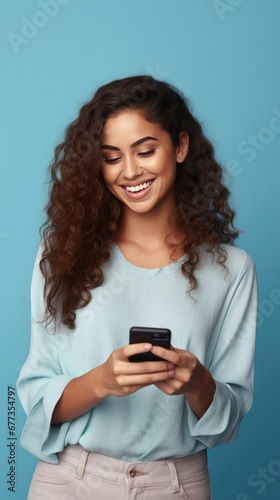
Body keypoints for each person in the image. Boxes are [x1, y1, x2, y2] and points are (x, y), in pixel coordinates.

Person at [17, 75, 257, 500]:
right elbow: (36, 397)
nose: (130, 172)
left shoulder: (232, 270)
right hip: (70, 481)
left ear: (180, 147)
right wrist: (102, 382)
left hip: (176, 484)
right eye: (111, 158)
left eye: (145, 151)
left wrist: (198, 382)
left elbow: (228, 420)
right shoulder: (62, 252)